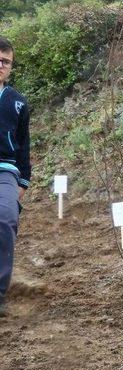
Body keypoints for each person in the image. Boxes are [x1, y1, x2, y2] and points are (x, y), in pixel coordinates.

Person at [0, 37, 31, 317]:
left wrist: (24, 181)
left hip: (5, 170)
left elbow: (24, 142)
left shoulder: (18, 102)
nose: (1, 65)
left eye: (5, 61)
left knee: (7, 219)